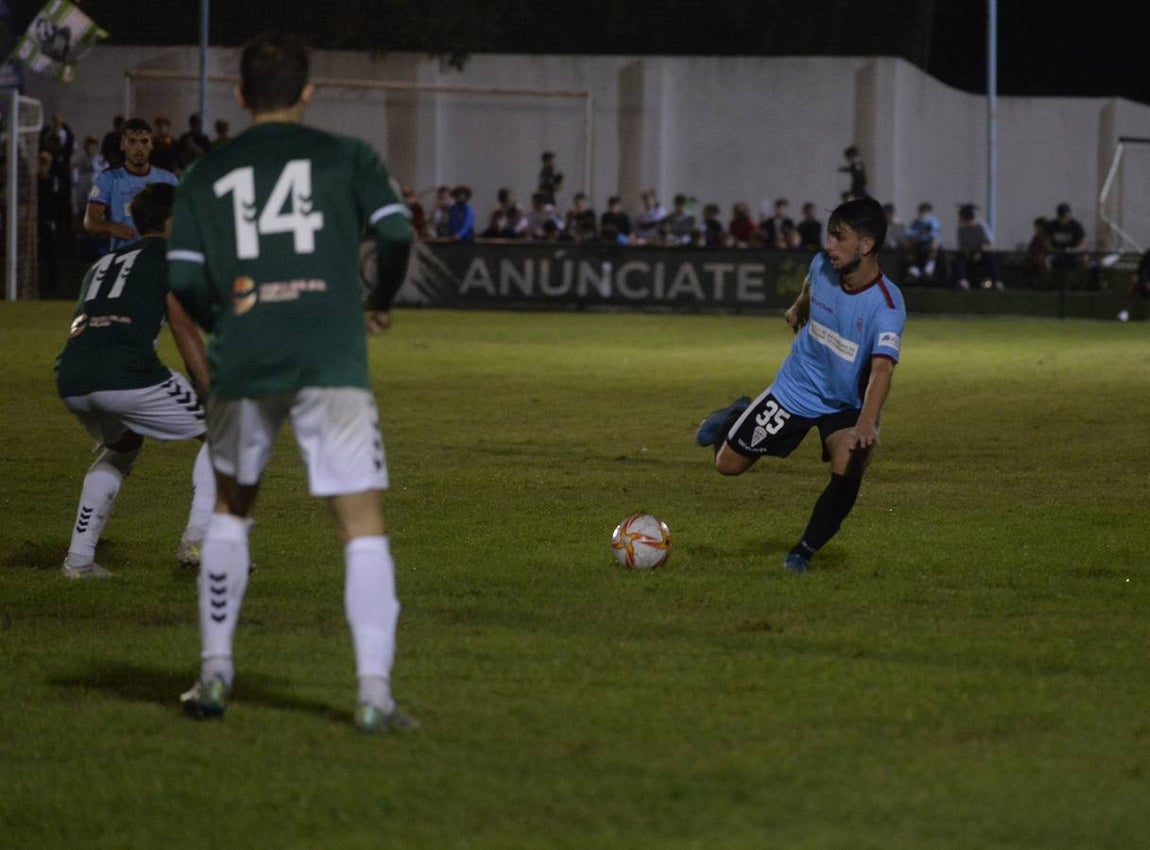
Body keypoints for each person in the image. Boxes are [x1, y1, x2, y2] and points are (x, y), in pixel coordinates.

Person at [168, 31, 416, 733]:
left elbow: (182, 277)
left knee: (231, 509)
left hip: (245, 359)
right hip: (331, 357)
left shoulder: (205, 175)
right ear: (308, 92)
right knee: (360, 524)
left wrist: (229, 321)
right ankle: (373, 693)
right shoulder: (348, 156)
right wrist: (380, 299)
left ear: (240, 94)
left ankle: (215, 672)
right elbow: (397, 235)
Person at [694, 196, 905, 574]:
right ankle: (736, 415)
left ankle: (802, 553)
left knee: (852, 464)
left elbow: (882, 370)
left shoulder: (886, 305)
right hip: (797, 388)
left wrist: (866, 422)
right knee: (727, 466)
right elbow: (810, 290)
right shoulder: (822, 265)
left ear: (866, 245)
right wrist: (797, 308)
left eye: (839, 237)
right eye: (829, 235)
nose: (828, 245)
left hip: (845, 405)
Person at [56, 183, 214, 578]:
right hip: (127, 374)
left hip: (72, 377)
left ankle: (79, 561)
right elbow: (183, 327)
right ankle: (199, 538)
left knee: (124, 444)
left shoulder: (103, 263)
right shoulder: (170, 259)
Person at [84, 117, 180, 252]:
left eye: (144, 141)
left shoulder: (168, 179)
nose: (139, 148)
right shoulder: (108, 179)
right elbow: (90, 222)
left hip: (160, 257)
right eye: (132, 142)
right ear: (122, 145)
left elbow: (184, 217)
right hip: (124, 256)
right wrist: (110, 227)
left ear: (151, 145)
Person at [953, 203, 1003, 290]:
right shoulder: (961, 229)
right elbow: (962, 246)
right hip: (968, 253)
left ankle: (997, 281)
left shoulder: (981, 226)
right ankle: (963, 281)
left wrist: (979, 252)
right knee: (959, 258)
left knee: (991, 256)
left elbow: (990, 244)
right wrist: (968, 253)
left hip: (982, 253)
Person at [905, 202, 941, 280]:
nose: (924, 214)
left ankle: (930, 265)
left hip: (929, 243)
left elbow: (933, 234)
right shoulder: (916, 222)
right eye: (922, 212)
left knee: (934, 241)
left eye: (925, 212)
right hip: (919, 243)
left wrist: (924, 232)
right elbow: (908, 233)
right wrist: (920, 232)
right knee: (908, 241)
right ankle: (913, 267)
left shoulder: (933, 221)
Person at [1117, 248, 1150, 321]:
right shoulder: (1148, 253)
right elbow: (1142, 268)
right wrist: (1145, 280)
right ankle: (1124, 313)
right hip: (1144, 280)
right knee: (1133, 291)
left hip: (1146, 280)